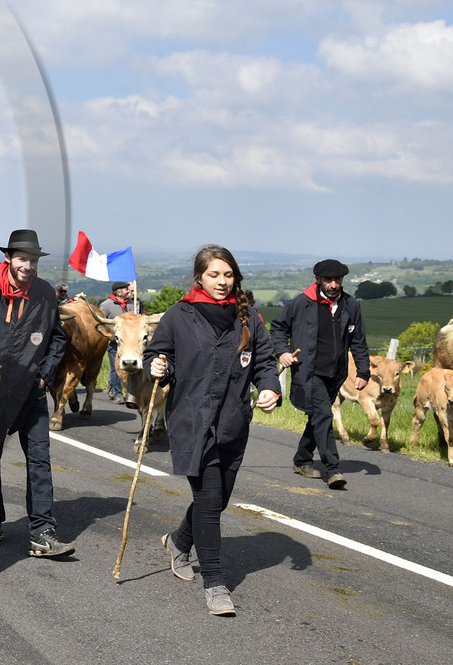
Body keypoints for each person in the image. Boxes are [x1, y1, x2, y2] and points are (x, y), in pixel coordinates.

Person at [144, 245, 282, 617]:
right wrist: (157, 367)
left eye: (227, 275)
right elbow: (158, 355)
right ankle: (216, 584)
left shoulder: (248, 318)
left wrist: (270, 387)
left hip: (233, 423)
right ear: (199, 278)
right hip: (192, 422)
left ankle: (178, 541)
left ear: (235, 277)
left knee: (218, 499)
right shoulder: (179, 315)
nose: (222, 282)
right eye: (213, 275)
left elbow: (265, 362)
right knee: (209, 504)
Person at [0, 230, 74, 557]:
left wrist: (46, 372)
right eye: (22, 259)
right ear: (8, 258)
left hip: (31, 392)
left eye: (33, 260)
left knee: (40, 459)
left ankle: (43, 530)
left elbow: (58, 338)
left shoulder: (45, 293)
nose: (28, 266)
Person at [269, 260, 370, 488]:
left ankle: (302, 459)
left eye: (337, 280)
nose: (333, 285)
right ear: (318, 279)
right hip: (309, 370)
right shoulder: (302, 303)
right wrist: (283, 351)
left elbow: (359, 341)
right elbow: (278, 327)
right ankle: (333, 470)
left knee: (317, 416)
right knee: (324, 415)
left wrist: (363, 371)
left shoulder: (350, 305)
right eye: (328, 280)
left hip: (336, 373)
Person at [100, 282, 134, 400]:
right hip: (115, 342)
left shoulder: (132, 303)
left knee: (130, 368)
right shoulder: (106, 305)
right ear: (118, 292)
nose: (128, 290)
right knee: (116, 368)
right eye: (126, 289)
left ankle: (128, 391)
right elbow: (101, 323)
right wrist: (109, 335)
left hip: (129, 343)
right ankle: (117, 393)